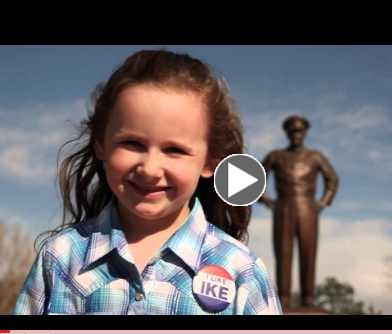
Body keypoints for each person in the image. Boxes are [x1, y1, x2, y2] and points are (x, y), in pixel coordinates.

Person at [13, 49, 282, 315]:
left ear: (210, 162)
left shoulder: (240, 271)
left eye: (174, 150)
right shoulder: (61, 257)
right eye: (132, 143)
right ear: (101, 145)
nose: (150, 169)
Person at [258, 115, 339, 309]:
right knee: (283, 254)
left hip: (308, 210)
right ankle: (284, 300)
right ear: (287, 133)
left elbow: (332, 180)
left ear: (305, 134)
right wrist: (266, 199)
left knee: (308, 254)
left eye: (299, 132)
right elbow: (256, 179)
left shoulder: (315, 157)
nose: (296, 135)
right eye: (292, 132)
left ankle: (308, 299)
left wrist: (322, 203)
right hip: (283, 209)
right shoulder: (276, 156)